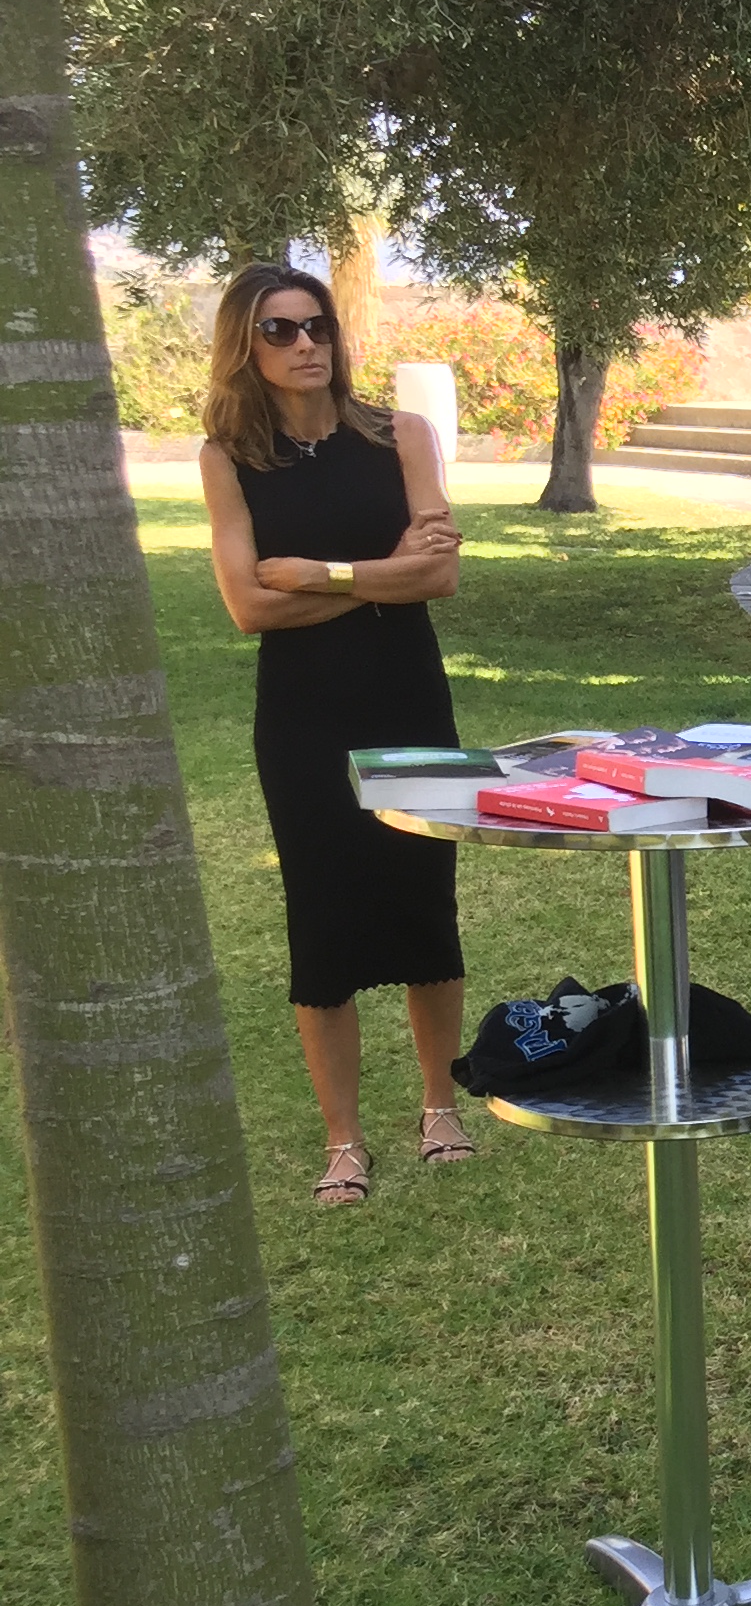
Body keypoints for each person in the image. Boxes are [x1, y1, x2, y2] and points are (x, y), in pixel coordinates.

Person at [196, 262, 470, 1207]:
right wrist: (372, 576)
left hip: (410, 701)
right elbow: (246, 606)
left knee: (424, 897)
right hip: (303, 716)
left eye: (316, 326)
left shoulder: (402, 437)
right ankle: (344, 1140)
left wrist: (317, 574)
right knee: (322, 914)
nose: (305, 344)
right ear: (247, 345)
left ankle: (440, 1109)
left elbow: (438, 580)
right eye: (279, 331)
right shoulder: (228, 457)